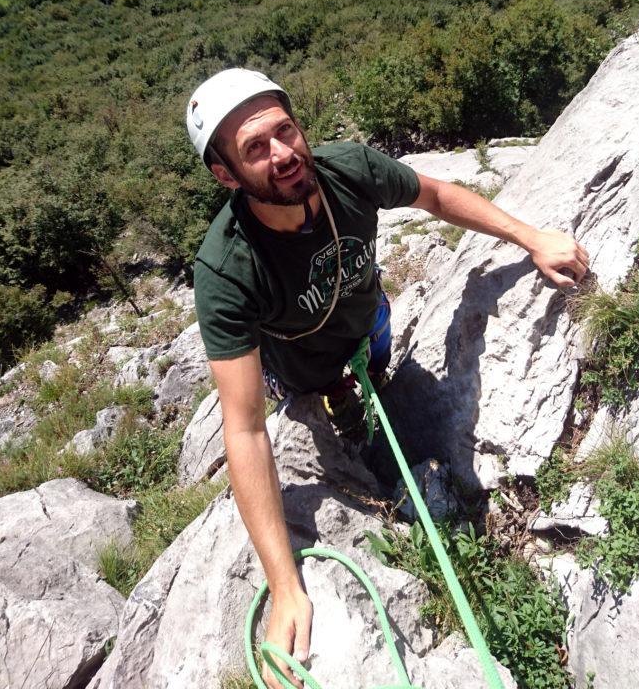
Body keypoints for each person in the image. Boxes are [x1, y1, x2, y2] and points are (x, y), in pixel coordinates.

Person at [187, 68, 589, 689]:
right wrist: (284, 584)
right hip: (300, 368)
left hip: (367, 320)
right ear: (226, 174)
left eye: (285, 131)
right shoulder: (226, 269)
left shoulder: (349, 169)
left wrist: (528, 237)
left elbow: (435, 195)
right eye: (255, 149)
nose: (285, 154)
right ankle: (343, 410)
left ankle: (363, 390)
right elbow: (242, 430)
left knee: (375, 363)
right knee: (322, 405)